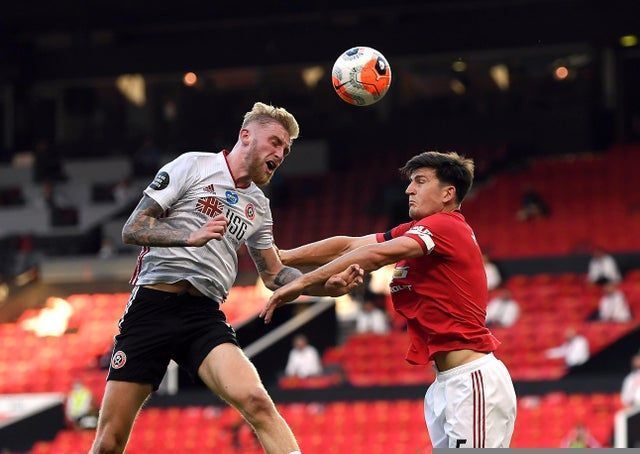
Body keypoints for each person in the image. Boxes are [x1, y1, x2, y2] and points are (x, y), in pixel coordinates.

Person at [90, 102, 363, 454]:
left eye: (286, 149)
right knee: (109, 442)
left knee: (257, 401)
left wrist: (326, 287)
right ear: (246, 136)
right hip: (151, 309)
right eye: (275, 142)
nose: (280, 154)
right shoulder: (193, 165)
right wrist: (188, 236)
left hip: (202, 317)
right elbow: (133, 228)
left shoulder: (259, 206)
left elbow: (275, 274)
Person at [265, 151, 517, 448]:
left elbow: (373, 255)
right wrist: (281, 257)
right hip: (446, 384)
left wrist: (299, 284)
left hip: (472, 381)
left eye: (420, 181)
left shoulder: (447, 226)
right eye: (411, 182)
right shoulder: (417, 231)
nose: (409, 189)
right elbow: (350, 245)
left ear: (449, 193)